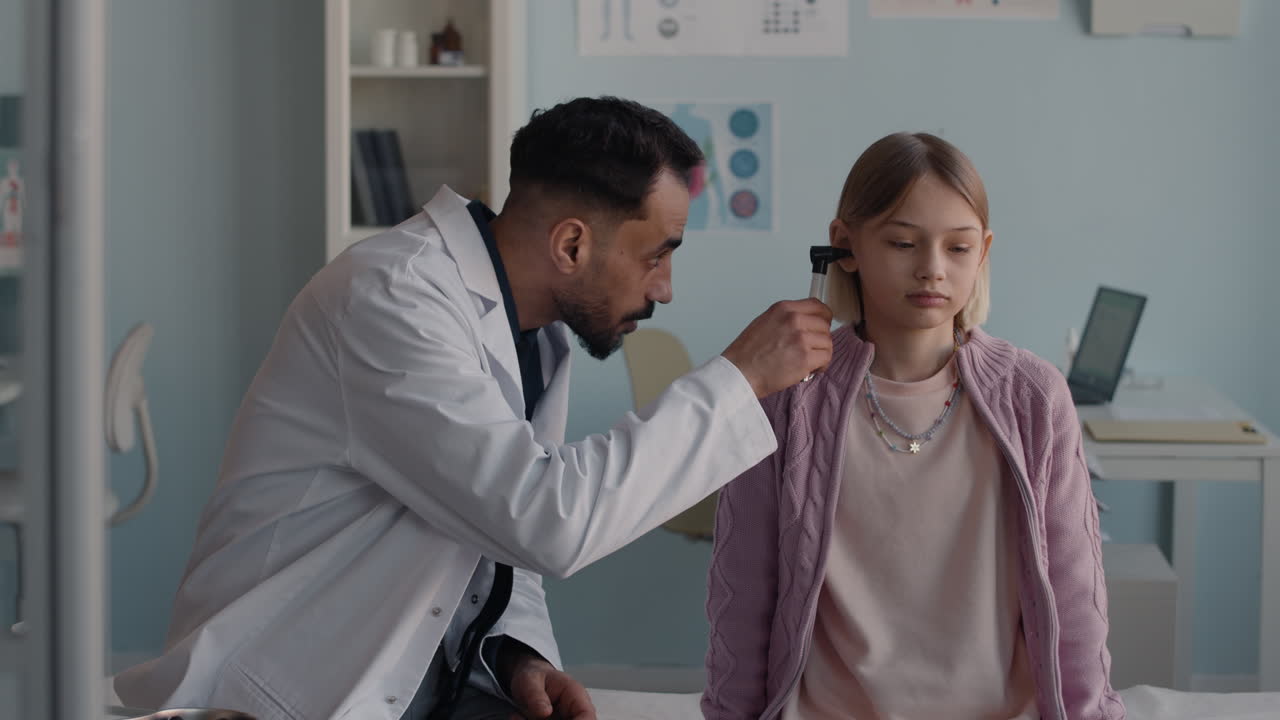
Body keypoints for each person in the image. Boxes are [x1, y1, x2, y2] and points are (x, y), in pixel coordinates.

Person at [114, 97, 834, 720]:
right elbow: (545, 519)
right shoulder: (392, 298)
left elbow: (490, 539)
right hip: (289, 690)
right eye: (658, 253)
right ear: (572, 243)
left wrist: (515, 657)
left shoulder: (535, 330)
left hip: (427, 684)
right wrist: (737, 380)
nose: (666, 288)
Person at [701, 132, 1125, 720]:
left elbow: (1075, 596)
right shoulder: (786, 398)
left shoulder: (1035, 397)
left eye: (958, 248)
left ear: (984, 252)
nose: (931, 269)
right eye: (903, 242)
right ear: (844, 244)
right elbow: (743, 597)